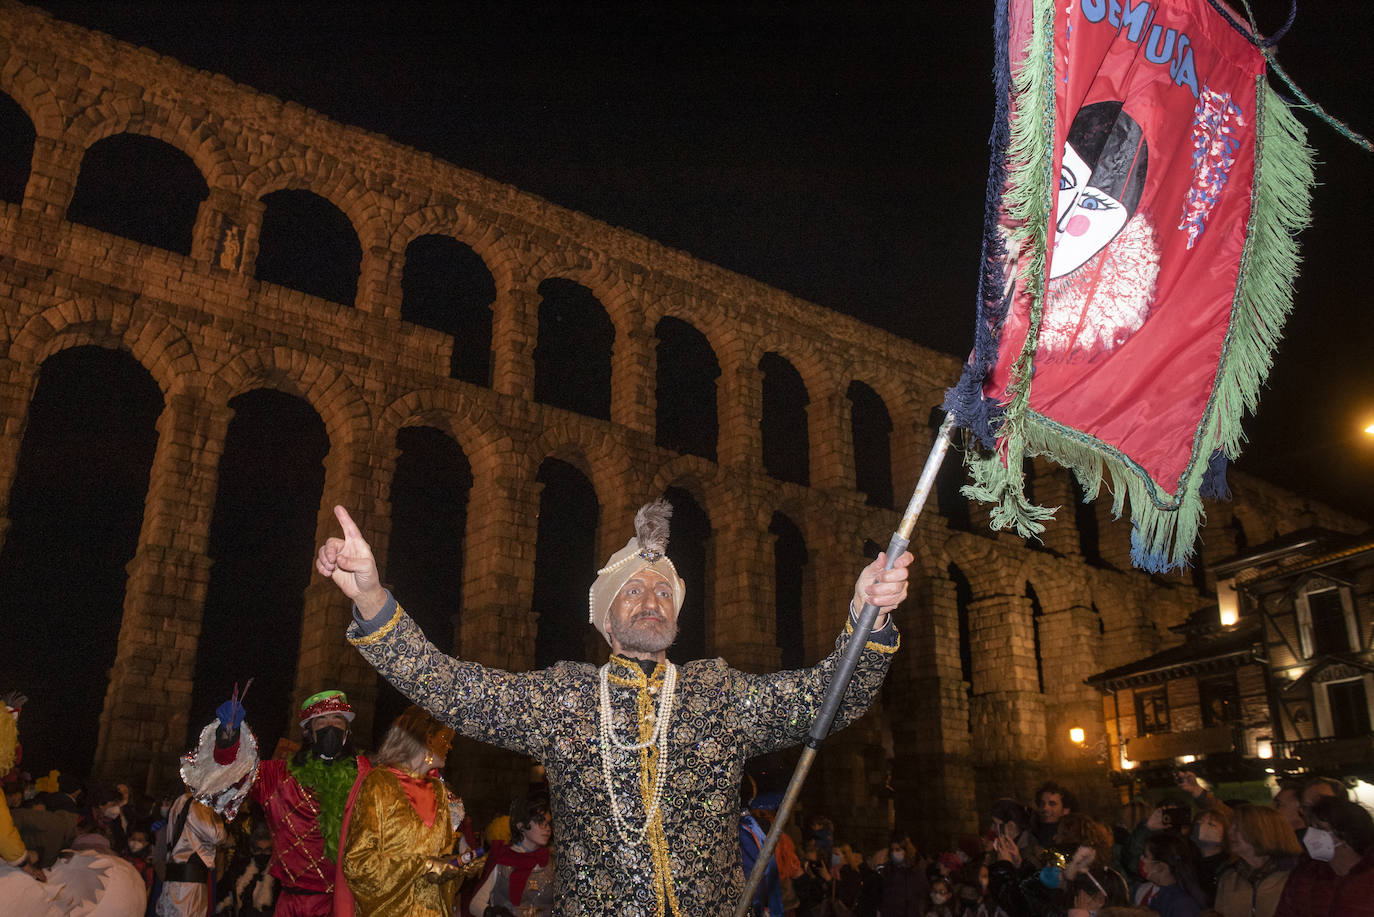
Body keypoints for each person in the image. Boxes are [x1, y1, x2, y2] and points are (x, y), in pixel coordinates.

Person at [317, 498, 908, 917]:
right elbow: (448, 688)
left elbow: (833, 697)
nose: (650, 598)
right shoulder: (566, 698)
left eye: (662, 591)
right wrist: (370, 596)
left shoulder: (720, 695)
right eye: (633, 589)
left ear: (676, 617)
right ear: (604, 621)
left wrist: (868, 618)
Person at [210, 688, 368, 916]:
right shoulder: (278, 777)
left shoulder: (365, 776)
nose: (331, 726)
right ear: (308, 731)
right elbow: (233, 775)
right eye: (322, 720)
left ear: (347, 730)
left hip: (344, 906)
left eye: (337, 719)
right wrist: (228, 740)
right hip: (291, 905)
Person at [340, 705, 477, 917]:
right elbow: (357, 864)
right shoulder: (379, 783)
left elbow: (440, 864)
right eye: (445, 738)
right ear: (427, 738)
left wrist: (459, 867)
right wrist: (423, 865)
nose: (449, 746)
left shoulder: (440, 792)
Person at [1273, 796, 1374, 917]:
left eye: (1320, 828)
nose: (1310, 834)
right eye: (1311, 826)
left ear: (1345, 834)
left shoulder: (1368, 879)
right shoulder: (1305, 876)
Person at [471, 794, 554, 917]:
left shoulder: (553, 862)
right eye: (540, 822)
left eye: (548, 822)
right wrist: (493, 913)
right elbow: (475, 905)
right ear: (521, 826)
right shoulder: (502, 859)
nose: (547, 828)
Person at [1214, 804, 1301, 917]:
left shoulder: (1295, 876)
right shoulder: (1229, 877)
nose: (1230, 832)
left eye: (1238, 828)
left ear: (1263, 831)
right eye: (1231, 827)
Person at [1137, 832, 1206, 917]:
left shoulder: (1182, 904)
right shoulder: (1160, 895)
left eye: (1145, 856)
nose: (1141, 859)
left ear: (1160, 867)